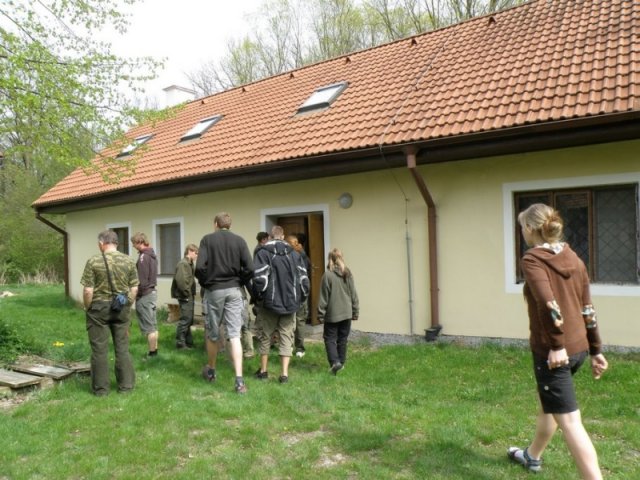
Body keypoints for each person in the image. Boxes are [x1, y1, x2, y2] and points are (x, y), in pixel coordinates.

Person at [508, 203, 608, 479]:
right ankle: (532, 456)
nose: (522, 232)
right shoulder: (573, 257)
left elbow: (547, 303)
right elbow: (587, 307)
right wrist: (595, 349)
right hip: (578, 349)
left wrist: (556, 346)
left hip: (556, 354)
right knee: (548, 404)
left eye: (522, 227)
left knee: (571, 422)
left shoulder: (533, 259)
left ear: (530, 228)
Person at [195, 212, 254, 394]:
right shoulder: (239, 240)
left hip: (214, 291)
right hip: (235, 290)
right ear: (230, 224)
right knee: (234, 335)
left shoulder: (207, 240)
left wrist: (207, 283)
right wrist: (239, 281)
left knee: (213, 333)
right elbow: (250, 268)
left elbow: (199, 267)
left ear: (215, 224)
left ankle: (211, 371)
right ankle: (239, 381)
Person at [81, 230, 139, 396]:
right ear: (116, 243)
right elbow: (134, 288)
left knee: (99, 350)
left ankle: (101, 390)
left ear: (101, 244)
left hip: (98, 309)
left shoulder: (93, 261)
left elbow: (88, 290)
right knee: (122, 348)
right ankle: (126, 387)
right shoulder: (129, 260)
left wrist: (87, 307)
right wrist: (127, 304)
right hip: (121, 308)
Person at [253, 226, 309, 383]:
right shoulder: (295, 254)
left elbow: (259, 279)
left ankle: (263, 371)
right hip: (290, 304)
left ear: (271, 237)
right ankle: (284, 374)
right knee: (286, 337)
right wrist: (300, 299)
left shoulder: (263, 253)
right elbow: (304, 280)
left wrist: (259, 298)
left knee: (265, 336)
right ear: (283, 236)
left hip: (269, 304)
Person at [317, 248, 359, 375]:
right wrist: (355, 311)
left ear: (329, 259)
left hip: (332, 314)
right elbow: (353, 294)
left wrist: (320, 314)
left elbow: (323, 297)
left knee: (330, 338)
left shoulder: (327, 275)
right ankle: (341, 362)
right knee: (342, 339)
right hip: (346, 313)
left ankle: (335, 362)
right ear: (342, 258)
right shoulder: (348, 273)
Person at [131, 232, 159, 358]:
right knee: (153, 325)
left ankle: (152, 354)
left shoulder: (143, 257)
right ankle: (155, 351)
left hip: (145, 295)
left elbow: (142, 280)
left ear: (139, 242)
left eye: (134, 243)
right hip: (152, 292)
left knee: (149, 327)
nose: (133, 246)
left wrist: (138, 295)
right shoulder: (152, 255)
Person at [286, 233, 310, 358]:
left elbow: (307, 267)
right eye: (294, 243)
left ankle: (297, 347)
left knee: (298, 321)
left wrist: (303, 253)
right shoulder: (288, 256)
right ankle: (291, 346)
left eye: (297, 243)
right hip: (293, 294)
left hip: (297, 294)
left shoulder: (299, 255)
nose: (297, 245)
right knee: (291, 321)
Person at [171, 244, 198, 349]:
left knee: (189, 319)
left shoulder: (190, 263)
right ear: (190, 251)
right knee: (185, 319)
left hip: (189, 295)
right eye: (196, 253)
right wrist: (186, 294)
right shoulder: (183, 264)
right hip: (185, 295)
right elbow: (181, 281)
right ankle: (180, 343)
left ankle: (188, 342)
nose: (197, 255)